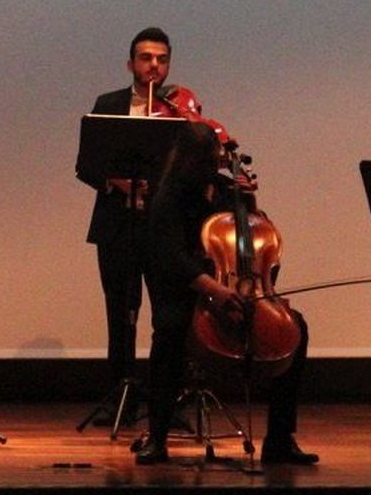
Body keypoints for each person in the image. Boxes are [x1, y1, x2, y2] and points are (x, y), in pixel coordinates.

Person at [135, 121, 317, 466]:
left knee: (297, 329)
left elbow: (254, 241)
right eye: (202, 162)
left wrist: (248, 200)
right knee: (170, 333)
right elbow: (169, 255)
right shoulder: (168, 195)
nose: (209, 167)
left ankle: (280, 439)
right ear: (185, 160)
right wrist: (214, 291)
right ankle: (157, 438)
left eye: (212, 160)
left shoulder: (223, 189)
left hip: (233, 288)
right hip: (188, 289)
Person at [76, 27, 175, 419]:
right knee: (120, 313)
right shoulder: (108, 103)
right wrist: (114, 182)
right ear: (130, 63)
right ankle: (120, 399)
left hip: (163, 224)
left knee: (167, 316)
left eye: (162, 59)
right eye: (147, 58)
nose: (154, 65)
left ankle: (165, 401)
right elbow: (85, 166)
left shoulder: (178, 107)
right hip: (117, 221)